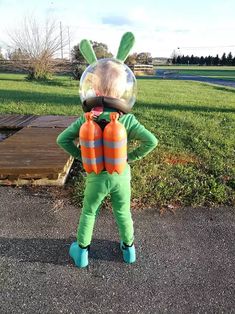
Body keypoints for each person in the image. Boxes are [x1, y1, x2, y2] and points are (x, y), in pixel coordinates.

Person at [57, 33, 158, 268]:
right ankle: (128, 250)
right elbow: (151, 142)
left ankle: (81, 253)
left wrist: (82, 157)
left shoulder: (85, 119)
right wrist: (128, 158)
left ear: (91, 87)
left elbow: (62, 140)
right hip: (121, 175)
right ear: (123, 89)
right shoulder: (128, 120)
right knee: (123, 212)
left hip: (96, 177)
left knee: (89, 212)